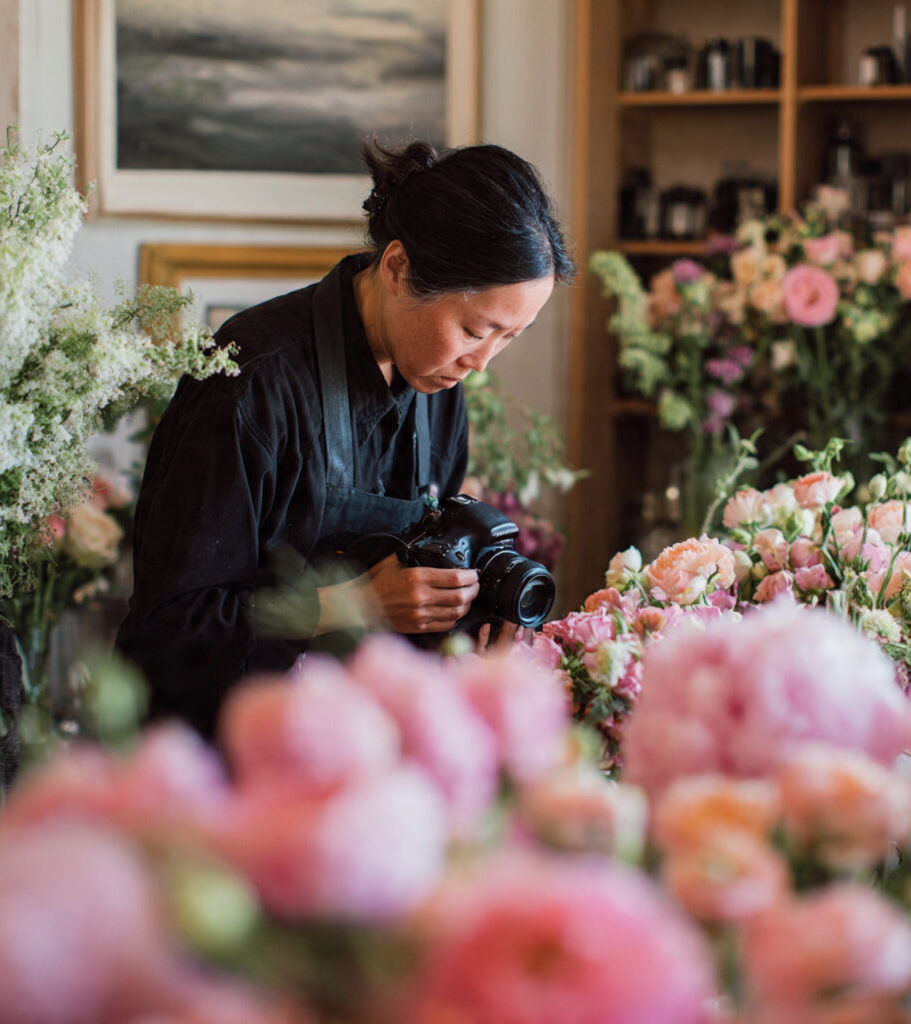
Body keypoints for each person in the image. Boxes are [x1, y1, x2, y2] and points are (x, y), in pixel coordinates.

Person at [116, 138, 575, 737]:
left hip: (352, 751)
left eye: (508, 337)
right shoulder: (252, 380)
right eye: (472, 329)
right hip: (211, 762)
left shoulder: (438, 390)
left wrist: (462, 632)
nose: (481, 363)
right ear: (397, 267)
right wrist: (351, 603)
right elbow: (167, 628)